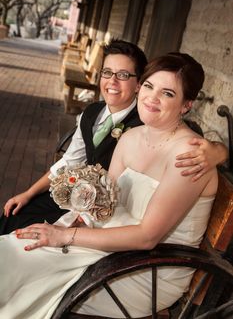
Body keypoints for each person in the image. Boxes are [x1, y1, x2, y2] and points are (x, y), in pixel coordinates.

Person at [0, 52, 219, 318]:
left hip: (145, 269)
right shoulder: (131, 138)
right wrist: (71, 220)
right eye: (149, 86)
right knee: (15, 248)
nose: (152, 98)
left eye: (168, 93)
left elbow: (147, 236)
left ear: (187, 105)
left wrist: (64, 237)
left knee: (20, 268)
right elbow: (103, 202)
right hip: (110, 245)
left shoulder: (188, 155)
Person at [0, 39, 226, 235]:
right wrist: (29, 193)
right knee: (10, 219)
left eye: (123, 75)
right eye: (107, 73)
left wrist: (219, 151)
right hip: (77, 196)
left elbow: (192, 141)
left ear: (138, 83)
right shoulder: (91, 113)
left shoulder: (149, 120)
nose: (112, 82)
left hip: (105, 212)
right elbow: (69, 162)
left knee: (24, 234)